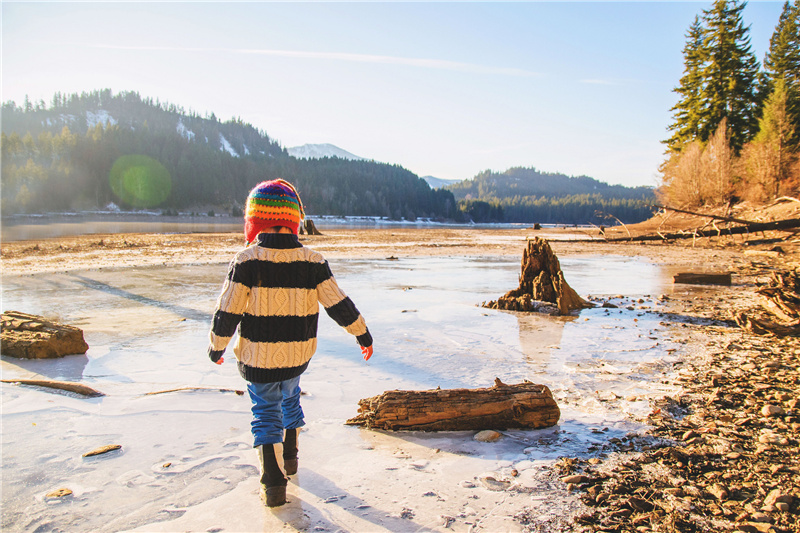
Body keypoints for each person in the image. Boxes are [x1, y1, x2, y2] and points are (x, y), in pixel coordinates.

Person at [207, 179, 373, 508]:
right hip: (296, 355)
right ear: (294, 221)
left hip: (258, 357)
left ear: (255, 222)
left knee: (265, 412)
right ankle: (292, 460)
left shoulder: (246, 260)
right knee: (291, 398)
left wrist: (217, 346)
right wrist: (361, 333)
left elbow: (227, 311)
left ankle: (272, 480)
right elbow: (338, 303)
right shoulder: (312, 261)